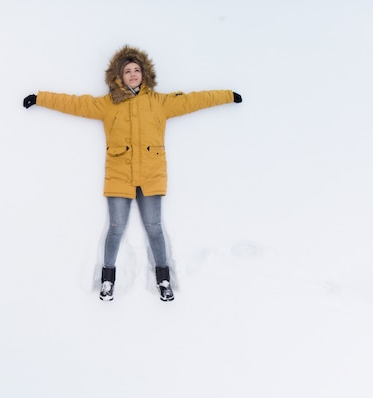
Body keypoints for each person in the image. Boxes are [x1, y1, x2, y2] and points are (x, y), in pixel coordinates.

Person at [23, 45, 242, 302]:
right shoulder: (108, 104)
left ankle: (163, 279)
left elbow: (194, 100)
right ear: (120, 75)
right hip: (119, 175)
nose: (133, 74)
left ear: (144, 74)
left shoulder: (160, 102)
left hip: (151, 174)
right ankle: (107, 279)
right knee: (116, 228)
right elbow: (75, 104)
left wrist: (227, 95)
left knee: (154, 228)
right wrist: (40, 98)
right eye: (128, 71)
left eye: (137, 70)